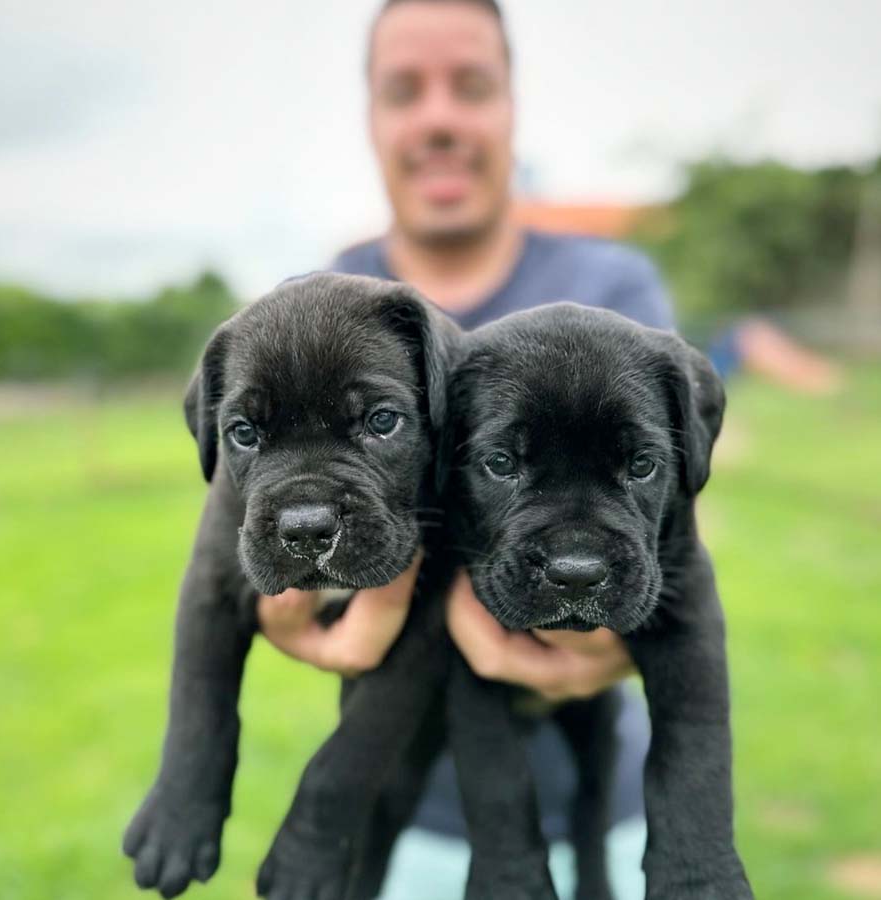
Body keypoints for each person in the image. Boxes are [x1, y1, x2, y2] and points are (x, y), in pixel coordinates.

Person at [257, 1, 675, 897]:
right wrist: (288, 606)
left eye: (471, 86)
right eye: (405, 90)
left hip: (593, 805)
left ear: (512, 108)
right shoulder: (327, 295)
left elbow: (653, 529)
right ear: (372, 118)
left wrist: (618, 642)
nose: (439, 117)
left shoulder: (610, 287)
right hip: (400, 802)